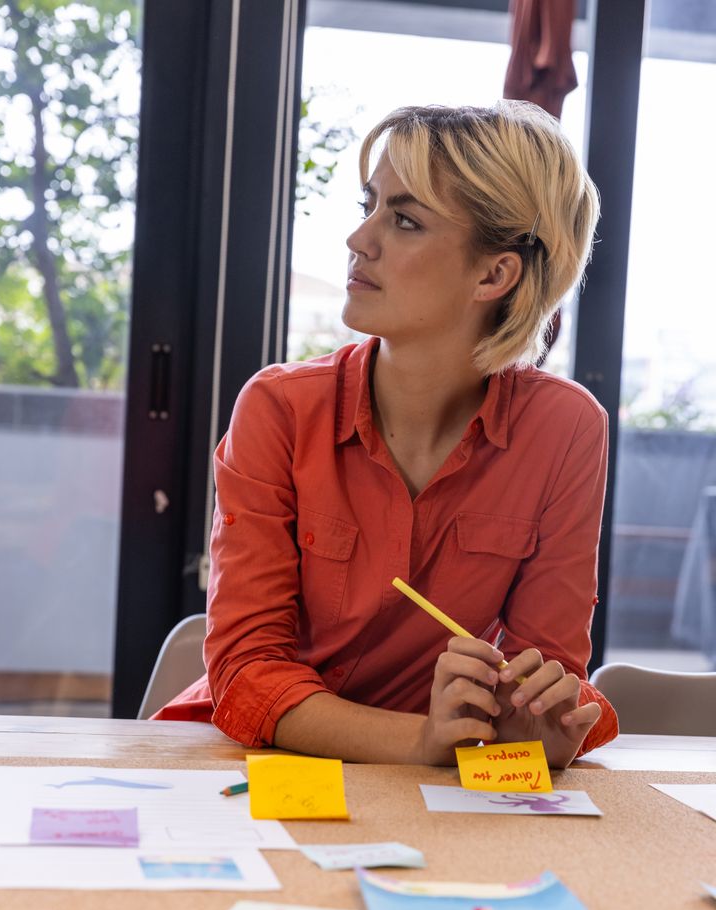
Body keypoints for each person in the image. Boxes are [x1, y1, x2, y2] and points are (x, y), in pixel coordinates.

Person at [154, 100, 618, 768]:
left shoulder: (567, 430)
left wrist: (537, 722)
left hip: (434, 791)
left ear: (495, 274)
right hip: (244, 767)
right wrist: (425, 741)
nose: (358, 239)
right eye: (369, 205)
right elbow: (247, 670)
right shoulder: (279, 408)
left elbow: (543, 676)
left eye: (403, 220)